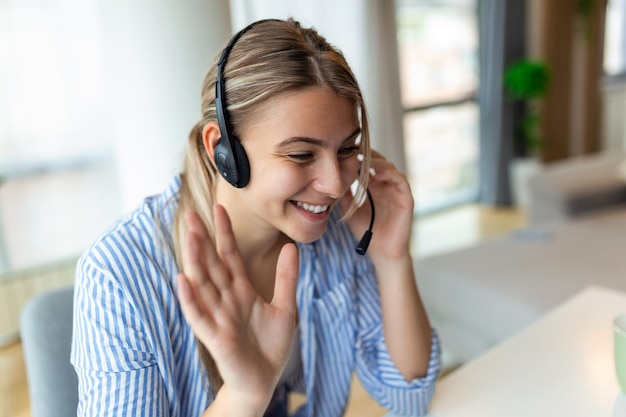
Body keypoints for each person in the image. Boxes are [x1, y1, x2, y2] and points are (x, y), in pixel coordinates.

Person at [71, 18, 441, 417]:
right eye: (301, 154)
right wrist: (245, 395)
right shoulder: (118, 273)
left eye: (347, 149)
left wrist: (390, 257)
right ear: (223, 150)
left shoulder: (335, 232)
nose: (336, 185)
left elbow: (409, 395)